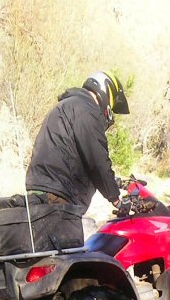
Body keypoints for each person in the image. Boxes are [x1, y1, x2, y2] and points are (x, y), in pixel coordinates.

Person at [25, 71, 130, 210]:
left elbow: (75, 155)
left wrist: (114, 182)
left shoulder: (70, 105)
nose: (109, 111)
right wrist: (117, 200)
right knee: (66, 231)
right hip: (58, 192)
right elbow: (97, 160)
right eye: (112, 105)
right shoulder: (86, 110)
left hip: (45, 186)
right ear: (106, 90)